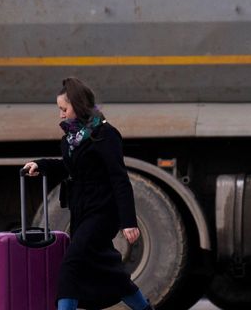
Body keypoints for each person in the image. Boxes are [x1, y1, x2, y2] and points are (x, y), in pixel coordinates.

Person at [22, 77, 153, 310]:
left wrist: (128, 221)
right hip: (81, 212)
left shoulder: (105, 134)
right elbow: (70, 168)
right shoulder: (71, 139)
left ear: (78, 105)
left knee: (71, 264)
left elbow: (119, 178)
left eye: (64, 109)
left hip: (103, 213)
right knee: (106, 269)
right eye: (59, 110)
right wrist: (40, 164)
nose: (61, 115)